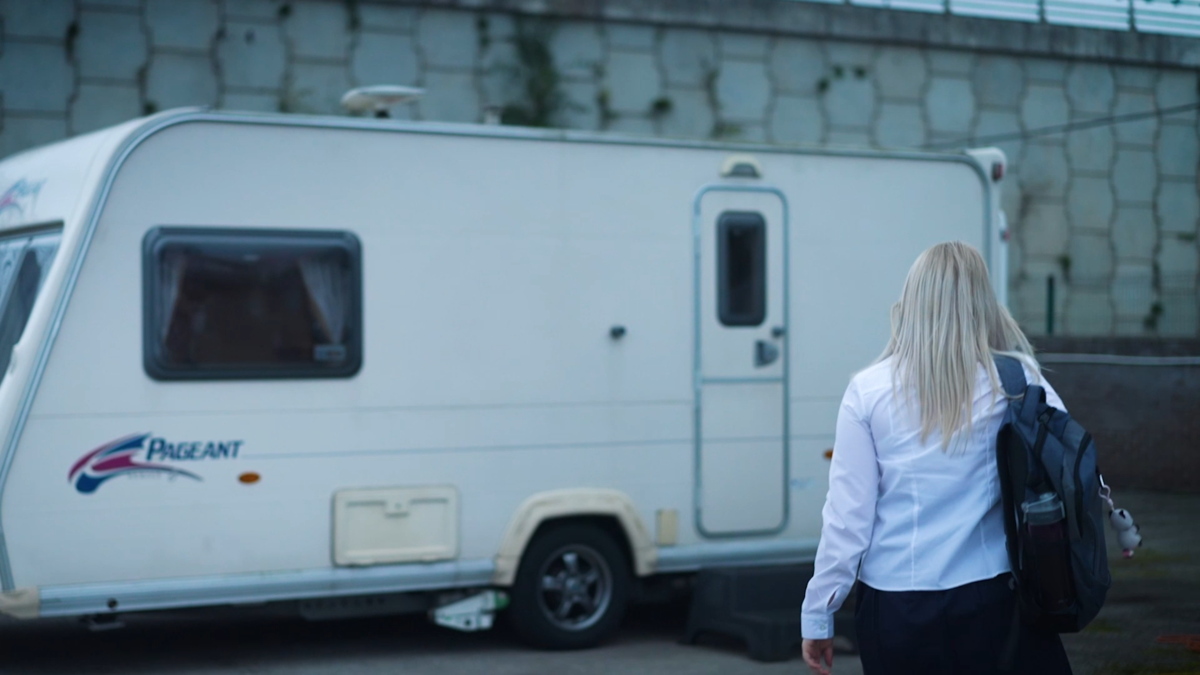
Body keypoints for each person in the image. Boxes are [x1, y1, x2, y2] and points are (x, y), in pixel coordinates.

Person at [800, 242, 1073, 675]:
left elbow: (847, 520)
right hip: (995, 598)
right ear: (983, 304)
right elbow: (1068, 470)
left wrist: (819, 613)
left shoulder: (867, 391)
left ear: (911, 301)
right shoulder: (1018, 378)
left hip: (894, 607)